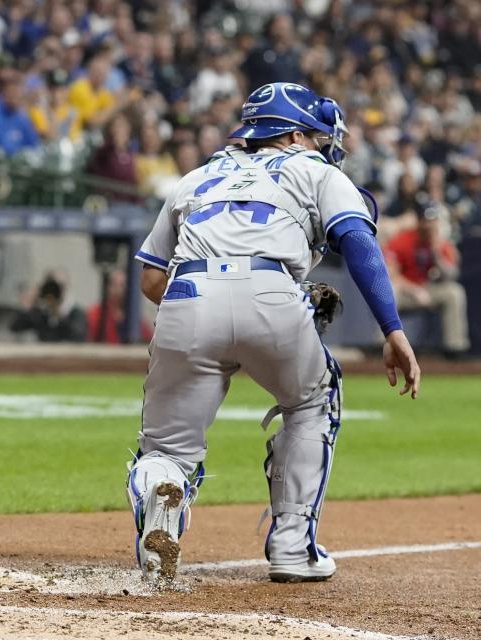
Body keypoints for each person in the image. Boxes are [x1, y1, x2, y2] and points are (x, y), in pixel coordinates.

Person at [127, 82, 420, 586]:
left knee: (166, 450)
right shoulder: (315, 170)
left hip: (188, 295)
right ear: (297, 134)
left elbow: (152, 279)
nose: (325, 144)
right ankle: (292, 547)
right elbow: (358, 241)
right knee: (312, 400)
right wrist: (391, 329)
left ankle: (163, 495)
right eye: (318, 134)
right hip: (274, 293)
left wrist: (213, 309)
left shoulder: (196, 177)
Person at [385, 203, 470, 357]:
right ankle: (383, 346)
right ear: (419, 221)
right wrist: (414, 290)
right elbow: (390, 273)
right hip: (407, 292)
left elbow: (452, 275)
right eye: (426, 220)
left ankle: (454, 349)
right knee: (387, 290)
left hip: (430, 290)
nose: (428, 225)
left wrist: (436, 252)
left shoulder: (441, 242)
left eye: (432, 221)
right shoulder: (403, 239)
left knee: (455, 292)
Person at [10, 273, 86, 342]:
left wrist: (58, 314)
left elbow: (78, 337)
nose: (57, 290)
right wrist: (29, 304)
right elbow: (15, 328)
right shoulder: (42, 312)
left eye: (61, 286)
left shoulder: (76, 312)